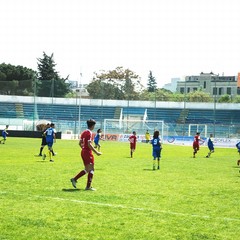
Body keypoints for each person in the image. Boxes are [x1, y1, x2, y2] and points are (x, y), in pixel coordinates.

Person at [71, 119, 102, 191]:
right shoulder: (89, 133)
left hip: (83, 152)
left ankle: (74, 179)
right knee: (91, 169)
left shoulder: (84, 132)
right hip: (87, 152)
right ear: (93, 126)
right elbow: (89, 144)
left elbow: (80, 143)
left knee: (87, 169)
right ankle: (88, 187)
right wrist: (96, 152)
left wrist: (84, 149)